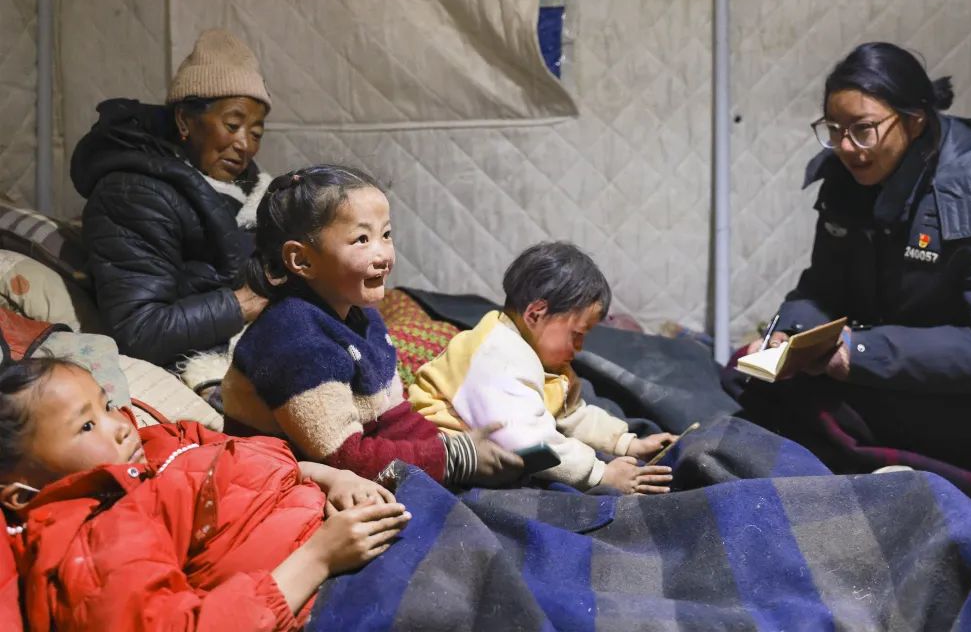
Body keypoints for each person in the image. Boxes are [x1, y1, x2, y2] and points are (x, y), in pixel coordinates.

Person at [735, 42, 971, 498]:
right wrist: (789, 334)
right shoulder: (846, 183)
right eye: (834, 129)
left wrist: (860, 352)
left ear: (914, 120)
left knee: (813, 408)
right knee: (751, 380)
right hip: (906, 373)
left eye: (863, 129)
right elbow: (822, 287)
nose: (846, 146)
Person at [0, 357, 410, 630]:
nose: (121, 425)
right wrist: (320, 556)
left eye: (106, 406)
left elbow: (254, 456)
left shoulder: (161, 441)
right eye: (86, 426)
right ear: (22, 495)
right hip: (332, 596)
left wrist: (332, 478)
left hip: (345, 526)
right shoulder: (97, 540)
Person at [221, 165, 523, 488]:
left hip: (351, 468)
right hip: (283, 486)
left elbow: (394, 417)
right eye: (362, 239)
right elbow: (345, 459)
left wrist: (450, 445)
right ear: (302, 260)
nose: (384, 256)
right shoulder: (294, 339)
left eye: (386, 235)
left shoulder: (365, 318)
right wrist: (454, 459)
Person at [70, 29, 273, 368]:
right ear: (184, 120)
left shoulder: (245, 187)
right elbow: (140, 329)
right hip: (191, 363)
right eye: (232, 124)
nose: (245, 145)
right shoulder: (132, 195)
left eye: (256, 133)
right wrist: (242, 303)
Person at [409, 241, 677, 494]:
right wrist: (601, 473)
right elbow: (528, 441)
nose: (580, 347)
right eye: (577, 334)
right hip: (444, 464)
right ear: (535, 314)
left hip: (495, 456)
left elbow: (572, 414)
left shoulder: (542, 356)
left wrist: (628, 443)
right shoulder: (496, 356)